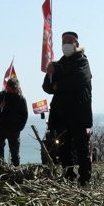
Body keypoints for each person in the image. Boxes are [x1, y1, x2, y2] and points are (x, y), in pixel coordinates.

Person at [43, 31, 93, 185]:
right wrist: (51, 74)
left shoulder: (83, 61)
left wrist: (58, 84)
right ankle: (68, 175)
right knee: (64, 148)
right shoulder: (58, 64)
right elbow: (47, 87)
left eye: (70, 41)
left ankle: (84, 178)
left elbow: (78, 81)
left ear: (76, 44)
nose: (67, 44)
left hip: (79, 113)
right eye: (64, 41)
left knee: (81, 147)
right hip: (61, 114)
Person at [0, 77, 28, 167]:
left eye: (14, 88)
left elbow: (24, 115)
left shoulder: (21, 99)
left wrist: (19, 128)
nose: (13, 90)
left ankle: (16, 171)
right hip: (0, 128)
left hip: (14, 129)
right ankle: (0, 169)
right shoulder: (1, 95)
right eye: (11, 88)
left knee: (14, 153)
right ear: (7, 87)